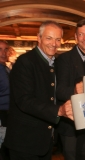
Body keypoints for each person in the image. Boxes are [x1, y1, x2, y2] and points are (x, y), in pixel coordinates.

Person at [4, 20, 73, 160]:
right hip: (25, 143)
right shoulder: (25, 62)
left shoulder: (55, 64)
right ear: (39, 38)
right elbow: (24, 101)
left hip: (44, 142)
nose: (54, 43)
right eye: (49, 38)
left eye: (58, 39)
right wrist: (58, 111)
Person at [55, 19, 85, 160]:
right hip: (71, 126)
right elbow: (59, 90)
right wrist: (75, 90)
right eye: (81, 35)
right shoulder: (64, 59)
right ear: (76, 37)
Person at [0, 40, 9, 127]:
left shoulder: (6, 68)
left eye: (6, 49)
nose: (3, 53)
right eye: (0, 49)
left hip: (8, 113)